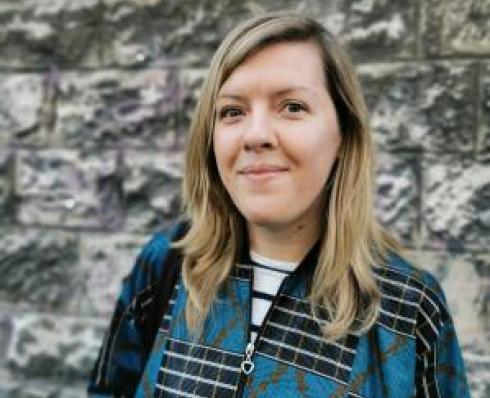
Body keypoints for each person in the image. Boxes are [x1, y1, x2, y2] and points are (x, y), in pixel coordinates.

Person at [88, 11, 470, 398]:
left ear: (343, 136)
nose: (255, 136)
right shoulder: (168, 264)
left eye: (292, 107)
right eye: (233, 111)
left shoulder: (406, 309)